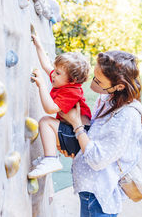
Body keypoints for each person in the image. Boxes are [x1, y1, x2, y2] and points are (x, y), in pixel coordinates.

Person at [58, 50, 142, 217]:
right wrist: (76, 151)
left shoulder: (126, 116)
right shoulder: (106, 100)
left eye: (98, 80)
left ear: (119, 86)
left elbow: (97, 159)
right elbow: (94, 139)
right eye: (94, 75)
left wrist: (76, 124)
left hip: (99, 195)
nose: (92, 83)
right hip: (89, 189)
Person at [27, 34, 91, 179]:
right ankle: (49, 156)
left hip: (79, 136)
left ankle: (51, 159)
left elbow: (49, 109)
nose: (53, 75)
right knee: (48, 126)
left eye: (58, 73)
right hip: (72, 131)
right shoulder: (63, 81)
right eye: (55, 71)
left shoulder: (72, 91)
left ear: (73, 80)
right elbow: (46, 65)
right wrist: (38, 44)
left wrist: (42, 85)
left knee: (46, 122)